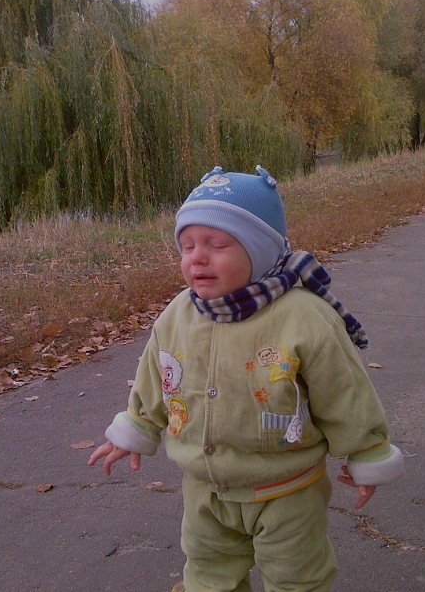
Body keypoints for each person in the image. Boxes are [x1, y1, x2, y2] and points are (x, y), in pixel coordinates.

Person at [88, 165, 404, 592]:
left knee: (297, 579)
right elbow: (156, 375)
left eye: (217, 244)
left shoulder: (303, 316)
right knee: (208, 577)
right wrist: (138, 425)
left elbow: (345, 391)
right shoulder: (178, 314)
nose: (197, 257)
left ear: (259, 251)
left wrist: (368, 452)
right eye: (186, 246)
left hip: (288, 490)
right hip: (205, 490)